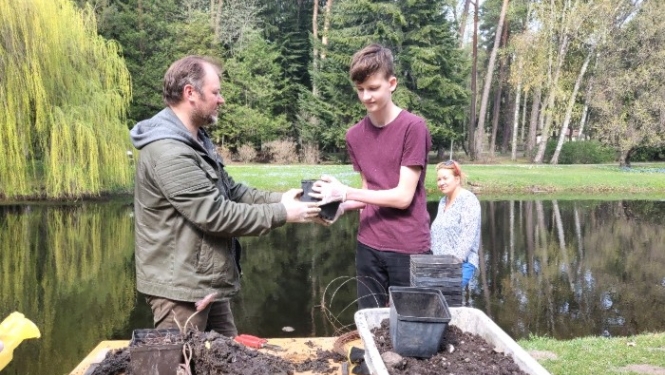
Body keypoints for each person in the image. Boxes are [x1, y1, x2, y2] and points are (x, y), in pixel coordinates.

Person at [130, 55, 320, 337]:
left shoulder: (196, 139)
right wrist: (284, 213)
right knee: (180, 365)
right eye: (216, 92)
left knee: (227, 357)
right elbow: (216, 215)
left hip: (203, 280)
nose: (222, 100)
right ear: (190, 93)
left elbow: (233, 191)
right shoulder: (169, 151)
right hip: (180, 291)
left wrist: (283, 199)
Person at [312, 43, 432, 309]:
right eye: (360, 89)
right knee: (369, 322)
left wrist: (345, 192)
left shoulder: (414, 128)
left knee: (412, 327)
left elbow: (402, 197)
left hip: (408, 247)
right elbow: (370, 191)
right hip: (368, 245)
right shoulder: (354, 135)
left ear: (392, 83)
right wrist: (339, 206)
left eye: (373, 88)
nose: (366, 96)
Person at [429, 160, 481, 287]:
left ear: (457, 179)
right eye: (439, 179)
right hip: (440, 265)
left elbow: (467, 238)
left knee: (448, 299)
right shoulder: (443, 201)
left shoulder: (468, 200)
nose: (441, 183)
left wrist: (452, 266)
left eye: (445, 178)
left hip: (462, 265)